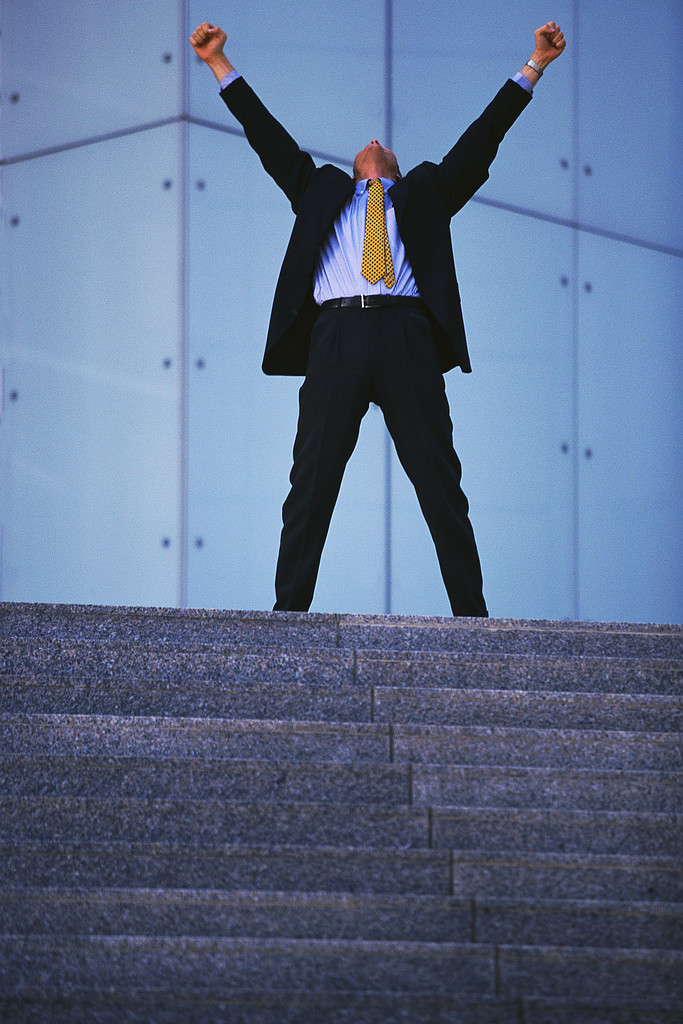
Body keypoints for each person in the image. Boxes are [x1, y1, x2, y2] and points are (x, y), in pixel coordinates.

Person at [190, 19, 566, 616]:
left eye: (383, 145)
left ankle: (473, 617)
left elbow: (482, 138)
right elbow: (267, 137)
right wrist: (218, 65)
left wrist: (534, 66)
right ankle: (288, 617)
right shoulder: (319, 190)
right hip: (334, 334)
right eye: (366, 144)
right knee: (311, 482)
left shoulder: (426, 194)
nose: (373, 139)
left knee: (440, 482)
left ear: (390, 165)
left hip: (405, 335)